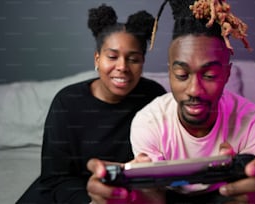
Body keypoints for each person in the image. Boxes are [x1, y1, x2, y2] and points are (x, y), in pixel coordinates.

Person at [87, 0, 255, 204]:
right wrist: (132, 197)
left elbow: (251, 188)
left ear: (227, 73)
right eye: (181, 74)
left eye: (210, 75)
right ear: (169, 73)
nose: (194, 90)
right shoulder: (148, 122)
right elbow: (155, 195)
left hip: (223, 193)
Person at [16, 4, 166, 204]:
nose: (122, 67)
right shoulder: (67, 102)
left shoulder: (154, 97)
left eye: (133, 59)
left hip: (130, 193)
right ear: (97, 58)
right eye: (112, 57)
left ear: (142, 63)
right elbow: (56, 178)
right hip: (70, 194)